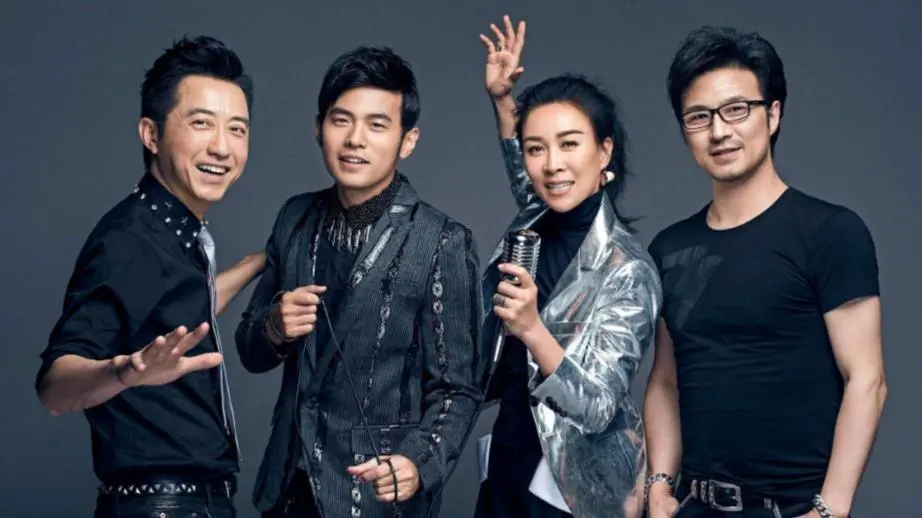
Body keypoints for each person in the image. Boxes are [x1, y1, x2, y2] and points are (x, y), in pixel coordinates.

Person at [642, 26, 886, 518]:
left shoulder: (830, 232)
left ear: (772, 114)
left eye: (736, 109)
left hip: (791, 509)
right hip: (694, 506)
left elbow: (866, 379)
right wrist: (659, 486)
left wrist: (830, 510)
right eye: (698, 117)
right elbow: (665, 382)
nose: (718, 131)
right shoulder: (670, 248)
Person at [234, 46, 486, 518]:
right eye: (341, 120)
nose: (355, 140)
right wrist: (274, 326)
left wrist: (419, 462)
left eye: (377, 125)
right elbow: (250, 348)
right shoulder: (294, 217)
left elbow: (459, 389)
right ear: (319, 128)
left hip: (375, 495)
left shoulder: (442, 241)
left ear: (407, 141)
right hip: (286, 487)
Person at [35, 35, 265, 517]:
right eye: (201, 123)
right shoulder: (129, 240)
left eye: (237, 129)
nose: (222, 147)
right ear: (151, 134)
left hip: (197, 504)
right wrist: (129, 370)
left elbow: (183, 305)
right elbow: (54, 387)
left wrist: (258, 262)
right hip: (161, 507)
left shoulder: (172, 232)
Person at [474, 16, 662, 518]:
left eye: (570, 144)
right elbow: (526, 170)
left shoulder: (629, 269)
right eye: (537, 149)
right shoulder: (536, 214)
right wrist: (502, 102)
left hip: (576, 487)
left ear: (604, 151)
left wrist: (532, 329)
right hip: (509, 456)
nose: (552, 163)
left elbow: (597, 408)